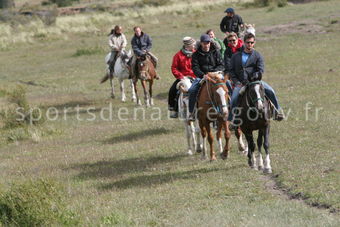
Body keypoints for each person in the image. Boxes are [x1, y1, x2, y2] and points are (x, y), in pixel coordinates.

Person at [229, 33, 284, 126]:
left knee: (271, 91)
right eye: (247, 42)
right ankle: (233, 120)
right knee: (234, 98)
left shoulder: (257, 55)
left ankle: (277, 111)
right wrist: (236, 82)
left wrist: (255, 76)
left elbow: (261, 69)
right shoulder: (236, 56)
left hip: (255, 82)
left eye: (251, 42)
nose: (249, 44)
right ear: (244, 43)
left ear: (254, 43)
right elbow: (231, 71)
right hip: (241, 83)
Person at [188, 34, 225, 120]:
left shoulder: (216, 52)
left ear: (210, 42)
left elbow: (222, 64)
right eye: (204, 43)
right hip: (202, 76)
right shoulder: (196, 54)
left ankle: (229, 109)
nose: (206, 45)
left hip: (216, 75)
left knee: (228, 87)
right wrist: (203, 75)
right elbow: (195, 67)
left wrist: (214, 73)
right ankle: (191, 112)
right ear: (201, 43)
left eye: (208, 42)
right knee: (192, 90)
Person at [168, 37, 197, 118]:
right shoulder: (178, 55)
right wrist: (180, 77)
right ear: (188, 45)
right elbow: (174, 68)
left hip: (196, 77)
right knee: (172, 90)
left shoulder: (196, 53)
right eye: (193, 45)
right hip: (183, 77)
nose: (194, 46)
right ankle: (174, 109)